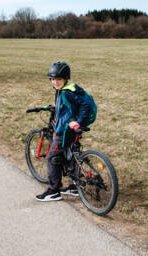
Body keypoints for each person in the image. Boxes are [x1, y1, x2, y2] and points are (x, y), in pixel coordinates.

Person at [36, 61, 94, 202]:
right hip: (72, 128)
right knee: (70, 155)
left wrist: (77, 122)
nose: (55, 82)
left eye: (59, 79)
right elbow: (68, 107)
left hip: (67, 130)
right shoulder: (67, 89)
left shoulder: (67, 93)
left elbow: (85, 106)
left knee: (52, 158)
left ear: (65, 78)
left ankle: (54, 190)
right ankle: (75, 186)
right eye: (53, 79)